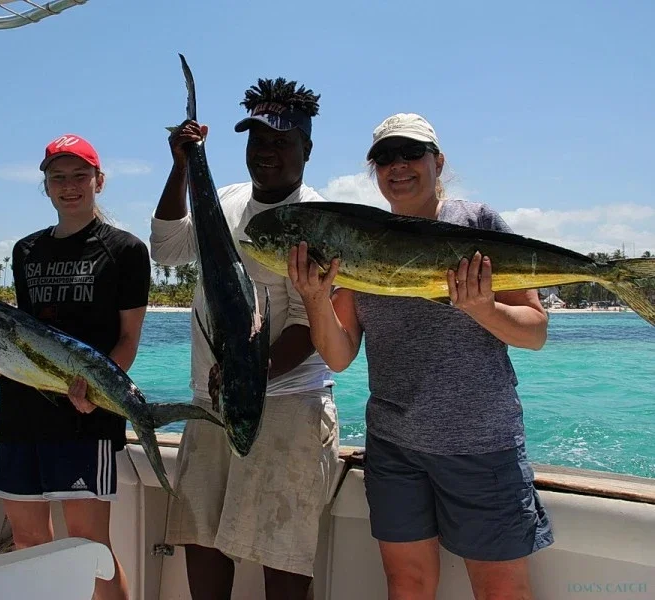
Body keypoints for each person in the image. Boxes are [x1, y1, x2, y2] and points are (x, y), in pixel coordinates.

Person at [287, 113, 553, 600]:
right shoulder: (357, 239)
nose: (398, 165)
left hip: (481, 443)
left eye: (412, 153)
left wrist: (483, 308)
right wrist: (314, 299)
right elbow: (339, 355)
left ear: (438, 162)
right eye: (385, 157)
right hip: (395, 449)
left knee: (501, 591)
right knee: (407, 585)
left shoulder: (477, 223)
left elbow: (534, 331)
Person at [150, 77, 339, 600]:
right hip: (211, 400)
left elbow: (307, 324)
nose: (266, 151)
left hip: (288, 403)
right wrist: (182, 165)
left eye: (281, 141)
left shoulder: (316, 220)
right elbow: (166, 249)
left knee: (281, 550)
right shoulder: (228, 198)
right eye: (258, 139)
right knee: (202, 540)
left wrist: (248, 375)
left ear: (307, 149)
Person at [0, 133, 151, 600]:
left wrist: (96, 393)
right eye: (58, 177)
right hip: (20, 414)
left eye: (80, 175)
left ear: (99, 180)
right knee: (28, 544)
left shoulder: (125, 250)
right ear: (46, 186)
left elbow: (128, 340)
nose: (69, 186)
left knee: (90, 549)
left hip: (85, 417)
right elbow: (22, 342)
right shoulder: (26, 251)